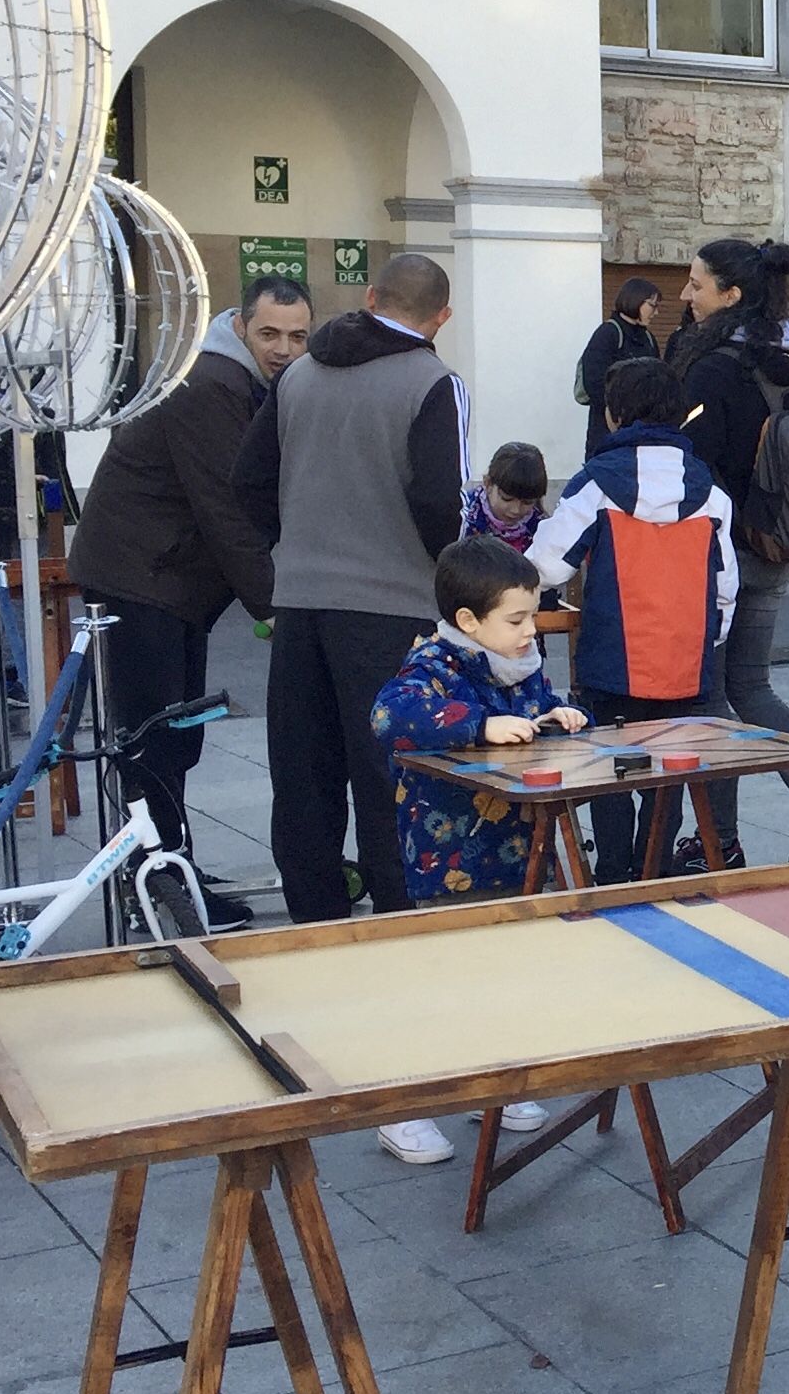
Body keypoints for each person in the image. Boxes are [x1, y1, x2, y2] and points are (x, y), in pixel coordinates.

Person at [233, 251, 470, 922]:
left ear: (370, 296)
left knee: (303, 778)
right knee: (387, 775)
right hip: (391, 606)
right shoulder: (433, 382)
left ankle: (314, 922)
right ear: (441, 317)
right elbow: (439, 507)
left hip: (302, 602)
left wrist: (302, 540)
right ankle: (397, 919)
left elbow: (248, 480)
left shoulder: (300, 375)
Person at [69, 276, 312, 906]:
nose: (283, 348)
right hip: (140, 579)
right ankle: (161, 886)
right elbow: (229, 510)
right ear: (239, 327)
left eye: (296, 336)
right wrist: (277, 607)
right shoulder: (212, 385)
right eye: (269, 334)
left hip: (164, 580)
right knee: (155, 739)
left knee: (174, 736)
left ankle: (169, 873)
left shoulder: (246, 385)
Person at [366, 535, 587, 1163]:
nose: (529, 632)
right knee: (443, 978)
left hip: (515, 849)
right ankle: (402, 1106)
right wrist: (478, 725)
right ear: (468, 622)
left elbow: (538, 710)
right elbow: (389, 718)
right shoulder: (434, 665)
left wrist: (561, 716)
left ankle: (491, 1081)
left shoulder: (519, 664)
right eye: (516, 619)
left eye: (533, 617)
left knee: (505, 972)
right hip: (450, 858)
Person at [666, 238, 789, 863]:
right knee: (754, 684)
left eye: (696, 285)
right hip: (777, 542)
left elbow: (692, 467)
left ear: (732, 295)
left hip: (716, 553)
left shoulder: (711, 369)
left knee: (712, 693)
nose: (686, 297)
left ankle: (721, 843)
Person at [534, 357, 741, 881]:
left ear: (613, 414)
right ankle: (652, 872)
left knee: (610, 768)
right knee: (666, 775)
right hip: (682, 662)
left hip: (612, 656)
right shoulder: (711, 492)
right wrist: (706, 642)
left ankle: (611, 875)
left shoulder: (596, 483)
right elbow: (725, 588)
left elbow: (547, 566)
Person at [576, 276, 663, 462]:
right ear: (635, 300)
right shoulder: (608, 333)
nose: (656, 312)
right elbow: (594, 381)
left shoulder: (648, 339)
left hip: (643, 434)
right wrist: (619, 413)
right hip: (606, 432)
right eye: (652, 305)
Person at [461, 441, 547, 556]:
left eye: (527, 502)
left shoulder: (542, 528)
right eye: (507, 498)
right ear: (488, 484)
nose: (515, 510)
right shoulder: (465, 519)